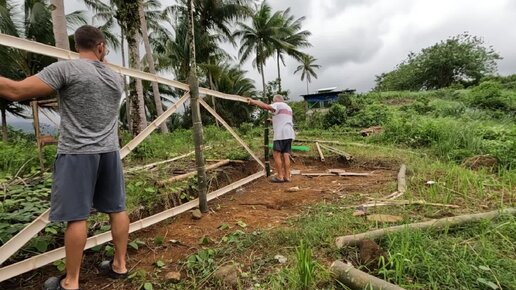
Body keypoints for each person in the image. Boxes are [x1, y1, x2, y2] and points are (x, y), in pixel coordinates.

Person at [0, 25, 129, 290]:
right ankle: (120, 265)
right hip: (109, 151)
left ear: (76, 45)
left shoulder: (66, 69)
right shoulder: (116, 78)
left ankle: (70, 282)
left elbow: (15, 90)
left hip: (77, 153)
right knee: (117, 208)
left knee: (77, 217)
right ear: (101, 47)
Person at [248, 94, 295, 183]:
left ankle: (280, 177)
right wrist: (272, 120)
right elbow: (283, 119)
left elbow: (265, 106)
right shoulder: (288, 108)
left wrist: (253, 101)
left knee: (276, 154)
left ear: (275, 101)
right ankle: (287, 177)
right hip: (289, 133)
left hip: (280, 134)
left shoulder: (277, 105)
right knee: (286, 155)